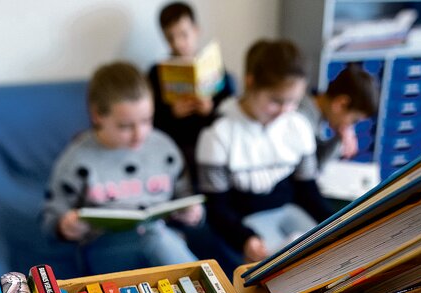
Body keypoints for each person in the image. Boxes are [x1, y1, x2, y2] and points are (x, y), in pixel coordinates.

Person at [41, 62, 201, 275]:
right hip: (104, 252)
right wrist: (65, 225)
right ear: (97, 115)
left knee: (157, 236)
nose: (139, 134)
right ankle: (210, 289)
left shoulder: (164, 148)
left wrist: (193, 213)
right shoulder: (77, 159)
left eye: (146, 120)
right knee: (153, 237)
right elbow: (50, 219)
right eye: (125, 126)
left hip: (164, 242)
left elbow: (186, 197)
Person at [196, 39, 333, 263]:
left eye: (293, 102)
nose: (284, 111)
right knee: (279, 270)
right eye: (276, 101)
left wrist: (338, 222)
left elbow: (308, 190)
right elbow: (217, 208)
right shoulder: (218, 133)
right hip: (242, 223)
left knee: (328, 252)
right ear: (251, 84)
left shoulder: (297, 125)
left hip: (288, 212)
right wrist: (245, 239)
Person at [148, 1, 236, 185]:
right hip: (177, 143)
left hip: (210, 140)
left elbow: (230, 114)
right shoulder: (156, 74)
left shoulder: (215, 69)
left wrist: (210, 110)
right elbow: (149, 122)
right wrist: (172, 114)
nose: (178, 44)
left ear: (196, 30)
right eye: (170, 38)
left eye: (183, 35)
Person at [297, 64, 380, 167]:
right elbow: (311, 171)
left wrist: (339, 139)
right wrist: (340, 141)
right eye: (354, 120)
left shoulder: (315, 113)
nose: (350, 126)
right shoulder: (303, 120)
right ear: (341, 104)